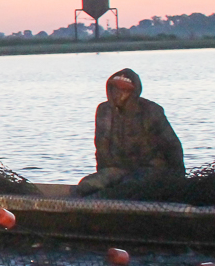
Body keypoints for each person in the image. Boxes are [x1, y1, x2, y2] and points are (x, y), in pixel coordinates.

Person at [77, 68, 184, 196]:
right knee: (86, 186)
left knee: (128, 186)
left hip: (151, 170)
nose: (118, 94)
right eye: (114, 89)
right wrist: (104, 173)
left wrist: (178, 177)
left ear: (133, 92)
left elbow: (172, 145)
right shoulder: (104, 111)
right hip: (118, 170)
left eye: (124, 90)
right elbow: (101, 147)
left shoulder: (151, 110)